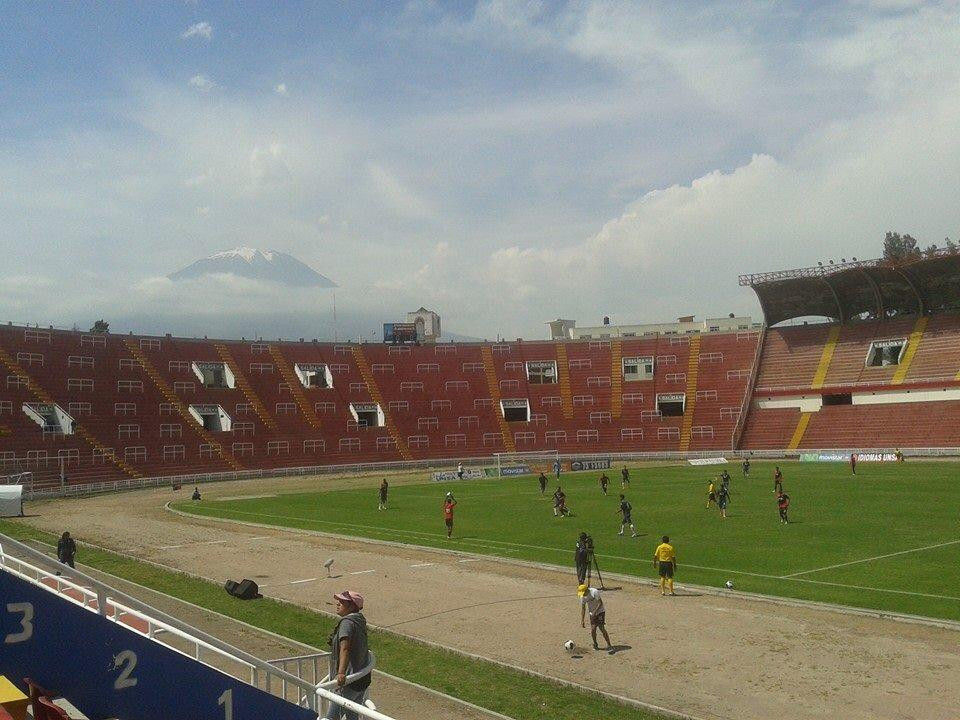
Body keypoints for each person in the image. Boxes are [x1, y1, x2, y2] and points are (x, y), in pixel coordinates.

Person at [323, 590, 371, 720]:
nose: (337, 603)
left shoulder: (347, 623)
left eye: (342, 602)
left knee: (331, 717)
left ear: (351, 606)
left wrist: (341, 673)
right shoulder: (359, 620)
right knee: (351, 715)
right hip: (361, 679)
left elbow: (345, 648)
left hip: (349, 682)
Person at [578, 584, 612, 651]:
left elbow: (600, 603)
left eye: (583, 593)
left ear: (587, 590)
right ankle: (595, 644)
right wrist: (582, 620)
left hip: (600, 612)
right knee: (593, 629)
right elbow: (583, 609)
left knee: (601, 628)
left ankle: (609, 644)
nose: (583, 594)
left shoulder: (594, 592)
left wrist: (595, 612)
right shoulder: (582, 597)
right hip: (592, 614)